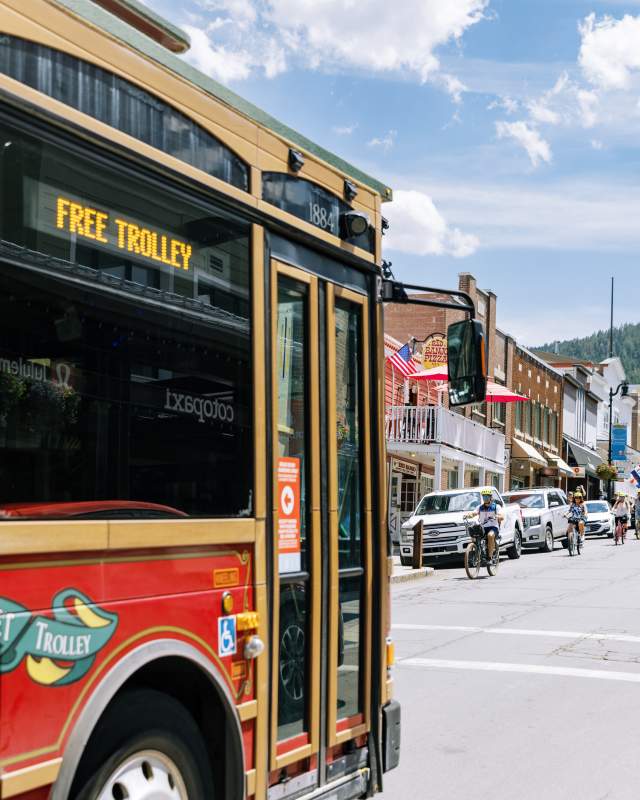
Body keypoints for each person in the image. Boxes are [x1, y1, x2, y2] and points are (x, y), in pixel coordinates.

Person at [472, 488, 504, 560]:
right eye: (484, 497)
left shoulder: (496, 507)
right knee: (473, 535)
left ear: (490, 497)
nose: (485, 498)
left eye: (487, 496)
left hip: (493, 527)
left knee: (490, 535)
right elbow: (474, 512)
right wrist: (469, 515)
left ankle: (490, 557)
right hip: (483, 528)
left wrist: (496, 516)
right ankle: (476, 552)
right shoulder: (480, 507)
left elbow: (502, 517)